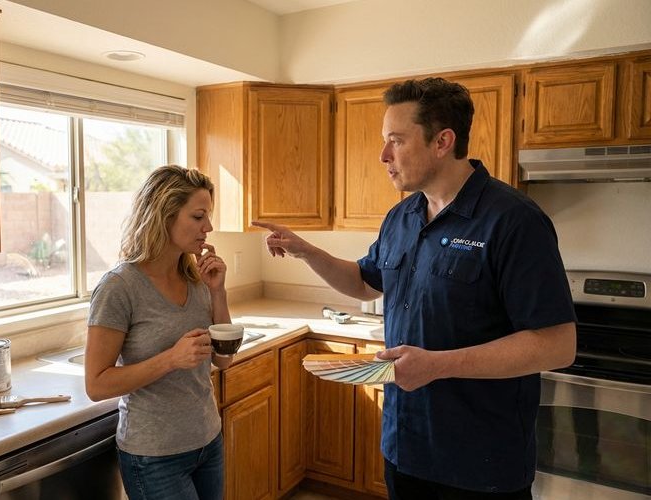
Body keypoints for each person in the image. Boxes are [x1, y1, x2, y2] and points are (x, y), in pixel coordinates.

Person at [253, 77, 576, 500]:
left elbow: (557, 344)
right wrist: (306, 251)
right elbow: (365, 283)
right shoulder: (402, 216)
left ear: (442, 141)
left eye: (397, 141)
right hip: (405, 449)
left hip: (481, 463)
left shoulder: (513, 221)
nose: (384, 155)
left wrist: (437, 364)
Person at [86, 164, 233, 500]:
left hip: (208, 441)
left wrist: (218, 292)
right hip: (154, 456)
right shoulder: (119, 287)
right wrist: (170, 359)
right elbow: (96, 384)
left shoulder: (196, 278)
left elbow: (223, 362)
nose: (208, 227)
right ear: (164, 215)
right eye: (198, 216)